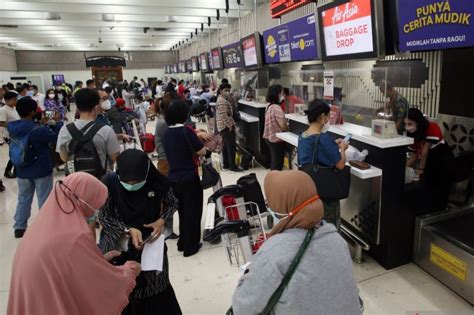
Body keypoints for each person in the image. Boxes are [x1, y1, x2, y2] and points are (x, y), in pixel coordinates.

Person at [7, 172, 141, 315]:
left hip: (35, 301)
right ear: (83, 200)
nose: (95, 210)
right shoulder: (75, 235)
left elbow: (64, 265)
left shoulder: (43, 224)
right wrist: (128, 272)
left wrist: (96, 261)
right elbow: (95, 284)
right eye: (94, 203)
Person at [232, 170, 360, 315]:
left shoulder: (273, 253)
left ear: (283, 207)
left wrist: (245, 278)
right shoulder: (337, 240)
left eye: (271, 203)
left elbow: (243, 307)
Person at [99, 150, 182, 315]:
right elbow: (104, 216)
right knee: (124, 292)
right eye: (127, 181)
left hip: (151, 245)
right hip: (118, 245)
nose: (131, 184)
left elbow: (173, 203)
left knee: (155, 287)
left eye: (137, 181)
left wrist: (161, 221)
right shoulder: (110, 183)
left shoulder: (158, 182)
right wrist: (127, 230)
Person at [7, 97, 63, 238]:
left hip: (21, 168)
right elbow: (56, 137)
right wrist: (55, 123)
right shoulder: (38, 130)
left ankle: (20, 226)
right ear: (33, 112)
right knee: (44, 198)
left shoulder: (12, 127)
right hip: (40, 169)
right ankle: (46, 226)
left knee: (24, 198)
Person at [163, 100, 207, 257]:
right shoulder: (186, 131)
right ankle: (191, 246)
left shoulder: (167, 133)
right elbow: (201, 151)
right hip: (189, 177)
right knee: (193, 212)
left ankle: (182, 241)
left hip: (174, 178)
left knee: (182, 211)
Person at [297, 99, 349, 231]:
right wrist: (343, 148)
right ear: (322, 117)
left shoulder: (302, 136)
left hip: (309, 190)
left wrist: (332, 145)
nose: (328, 120)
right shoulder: (324, 139)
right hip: (325, 193)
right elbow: (340, 165)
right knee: (328, 227)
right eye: (328, 116)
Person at [56, 88, 121, 176]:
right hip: (100, 180)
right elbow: (115, 158)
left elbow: (64, 158)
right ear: (96, 106)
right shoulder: (106, 130)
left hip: (75, 181)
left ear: (77, 107)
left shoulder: (65, 129)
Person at [405, 108, 454, 211]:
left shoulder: (432, 127)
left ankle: (440, 211)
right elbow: (414, 154)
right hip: (429, 159)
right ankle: (428, 211)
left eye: (410, 124)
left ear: (418, 122)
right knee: (427, 187)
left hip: (442, 159)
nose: (407, 127)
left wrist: (421, 170)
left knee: (440, 187)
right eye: (405, 124)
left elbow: (425, 151)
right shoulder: (413, 133)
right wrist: (404, 167)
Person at [216, 83, 242, 172]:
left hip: (223, 127)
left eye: (228, 90)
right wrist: (230, 125)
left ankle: (226, 164)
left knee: (226, 146)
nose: (227, 92)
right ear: (221, 91)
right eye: (225, 90)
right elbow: (224, 115)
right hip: (225, 127)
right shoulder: (222, 101)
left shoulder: (222, 99)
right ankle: (232, 166)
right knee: (231, 147)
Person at [263, 85, 289, 171]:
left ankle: (273, 180)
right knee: (277, 164)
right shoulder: (276, 108)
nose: (283, 95)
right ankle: (275, 181)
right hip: (277, 139)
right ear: (277, 94)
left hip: (270, 137)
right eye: (282, 93)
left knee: (274, 162)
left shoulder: (269, 105)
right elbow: (283, 126)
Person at [0, 91, 20, 179]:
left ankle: (16, 171)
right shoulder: (3, 110)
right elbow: (1, 123)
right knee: (14, 153)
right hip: (9, 135)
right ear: (7, 100)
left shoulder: (14, 108)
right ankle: (7, 171)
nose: (16, 101)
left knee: (18, 152)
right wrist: (13, 126)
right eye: (14, 100)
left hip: (17, 133)